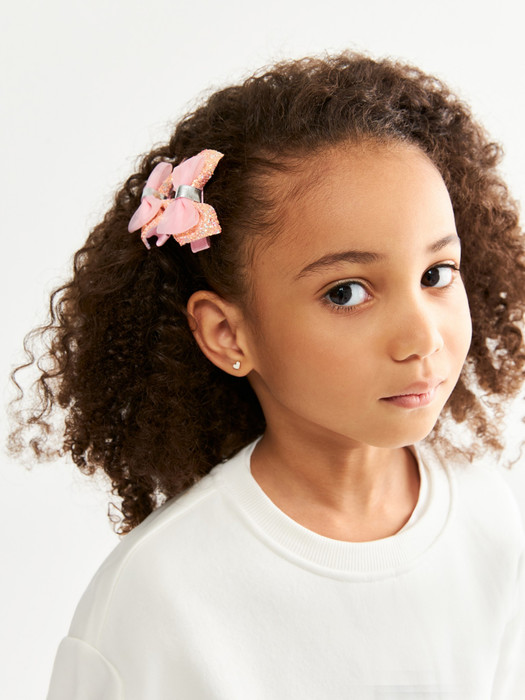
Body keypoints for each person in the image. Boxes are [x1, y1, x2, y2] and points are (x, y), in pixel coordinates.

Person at [8, 52, 525, 698]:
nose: (422, 337)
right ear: (229, 334)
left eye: (436, 274)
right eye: (345, 292)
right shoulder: (158, 599)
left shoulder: (487, 515)